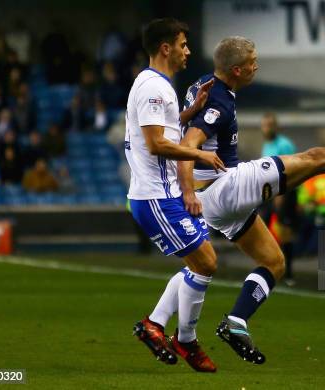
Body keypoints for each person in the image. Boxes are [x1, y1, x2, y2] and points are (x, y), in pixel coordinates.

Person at [178, 36, 325, 364]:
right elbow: (190, 143)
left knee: (274, 263)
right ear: (236, 70)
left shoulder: (202, 86)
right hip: (223, 186)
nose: (257, 65)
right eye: (252, 61)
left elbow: (183, 128)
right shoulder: (219, 100)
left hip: (217, 200)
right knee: (317, 158)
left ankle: (236, 321)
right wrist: (187, 191)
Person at [125, 18, 224, 373]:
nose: (188, 52)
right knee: (207, 262)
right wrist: (198, 154)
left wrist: (189, 112)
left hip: (159, 194)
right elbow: (155, 144)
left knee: (198, 265)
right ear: (166, 48)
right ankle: (185, 340)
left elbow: (160, 130)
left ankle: (155, 324)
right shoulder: (154, 87)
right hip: (156, 196)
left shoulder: (154, 84)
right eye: (183, 45)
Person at [259, 112, 298, 285]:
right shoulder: (267, 145)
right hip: (270, 193)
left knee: (285, 232)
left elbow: (291, 170)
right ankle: (268, 268)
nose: (266, 128)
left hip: (285, 192)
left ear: (275, 126)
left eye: (269, 125)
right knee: (263, 229)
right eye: (264, 125)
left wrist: (282, 195)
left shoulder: (285, 144)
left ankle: (288, 273)